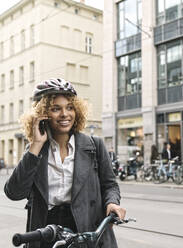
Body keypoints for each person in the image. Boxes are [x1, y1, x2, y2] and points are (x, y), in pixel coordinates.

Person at [3, 78, 125, 248]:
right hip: (47, 231)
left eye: (69, 107)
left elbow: (110, 185)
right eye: (55, 109)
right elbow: (14, 192)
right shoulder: (35, 150)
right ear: (42, 114)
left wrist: (112, 203)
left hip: (86, 228)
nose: (65, 114)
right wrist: (36, 145)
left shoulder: (94, 146)